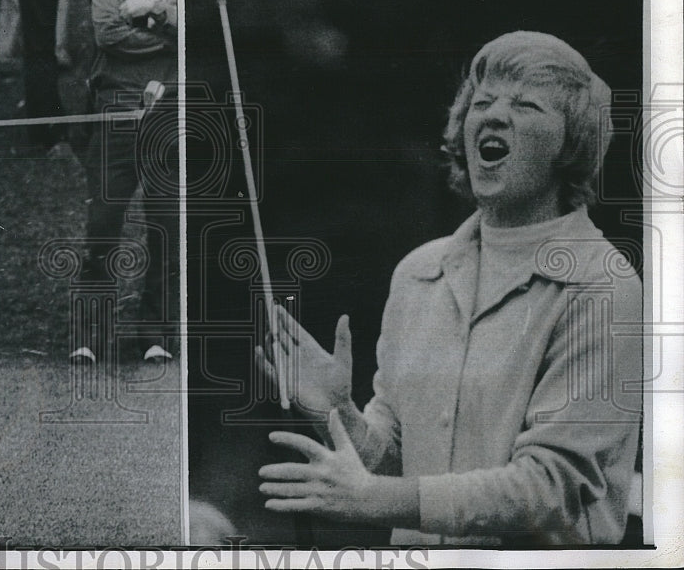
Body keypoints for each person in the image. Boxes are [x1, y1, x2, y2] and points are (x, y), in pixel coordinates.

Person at [256, 31, 642, 545]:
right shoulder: (419, 273)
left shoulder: (601, 286)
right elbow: (398, 464)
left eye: (526, 105)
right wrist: (339, 412)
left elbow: (550, 489)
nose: (494, 115)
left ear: (570, 145)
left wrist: (374, 501)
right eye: (482, 103)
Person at [74, 0, 179, 365]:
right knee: (102, 223)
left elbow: (200, 36)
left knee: (165, 226)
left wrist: (154, 11)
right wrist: (168, 33)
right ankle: (88, 337)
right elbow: (109, 35)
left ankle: (155, 336)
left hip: (170, 112)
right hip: (115, 108)